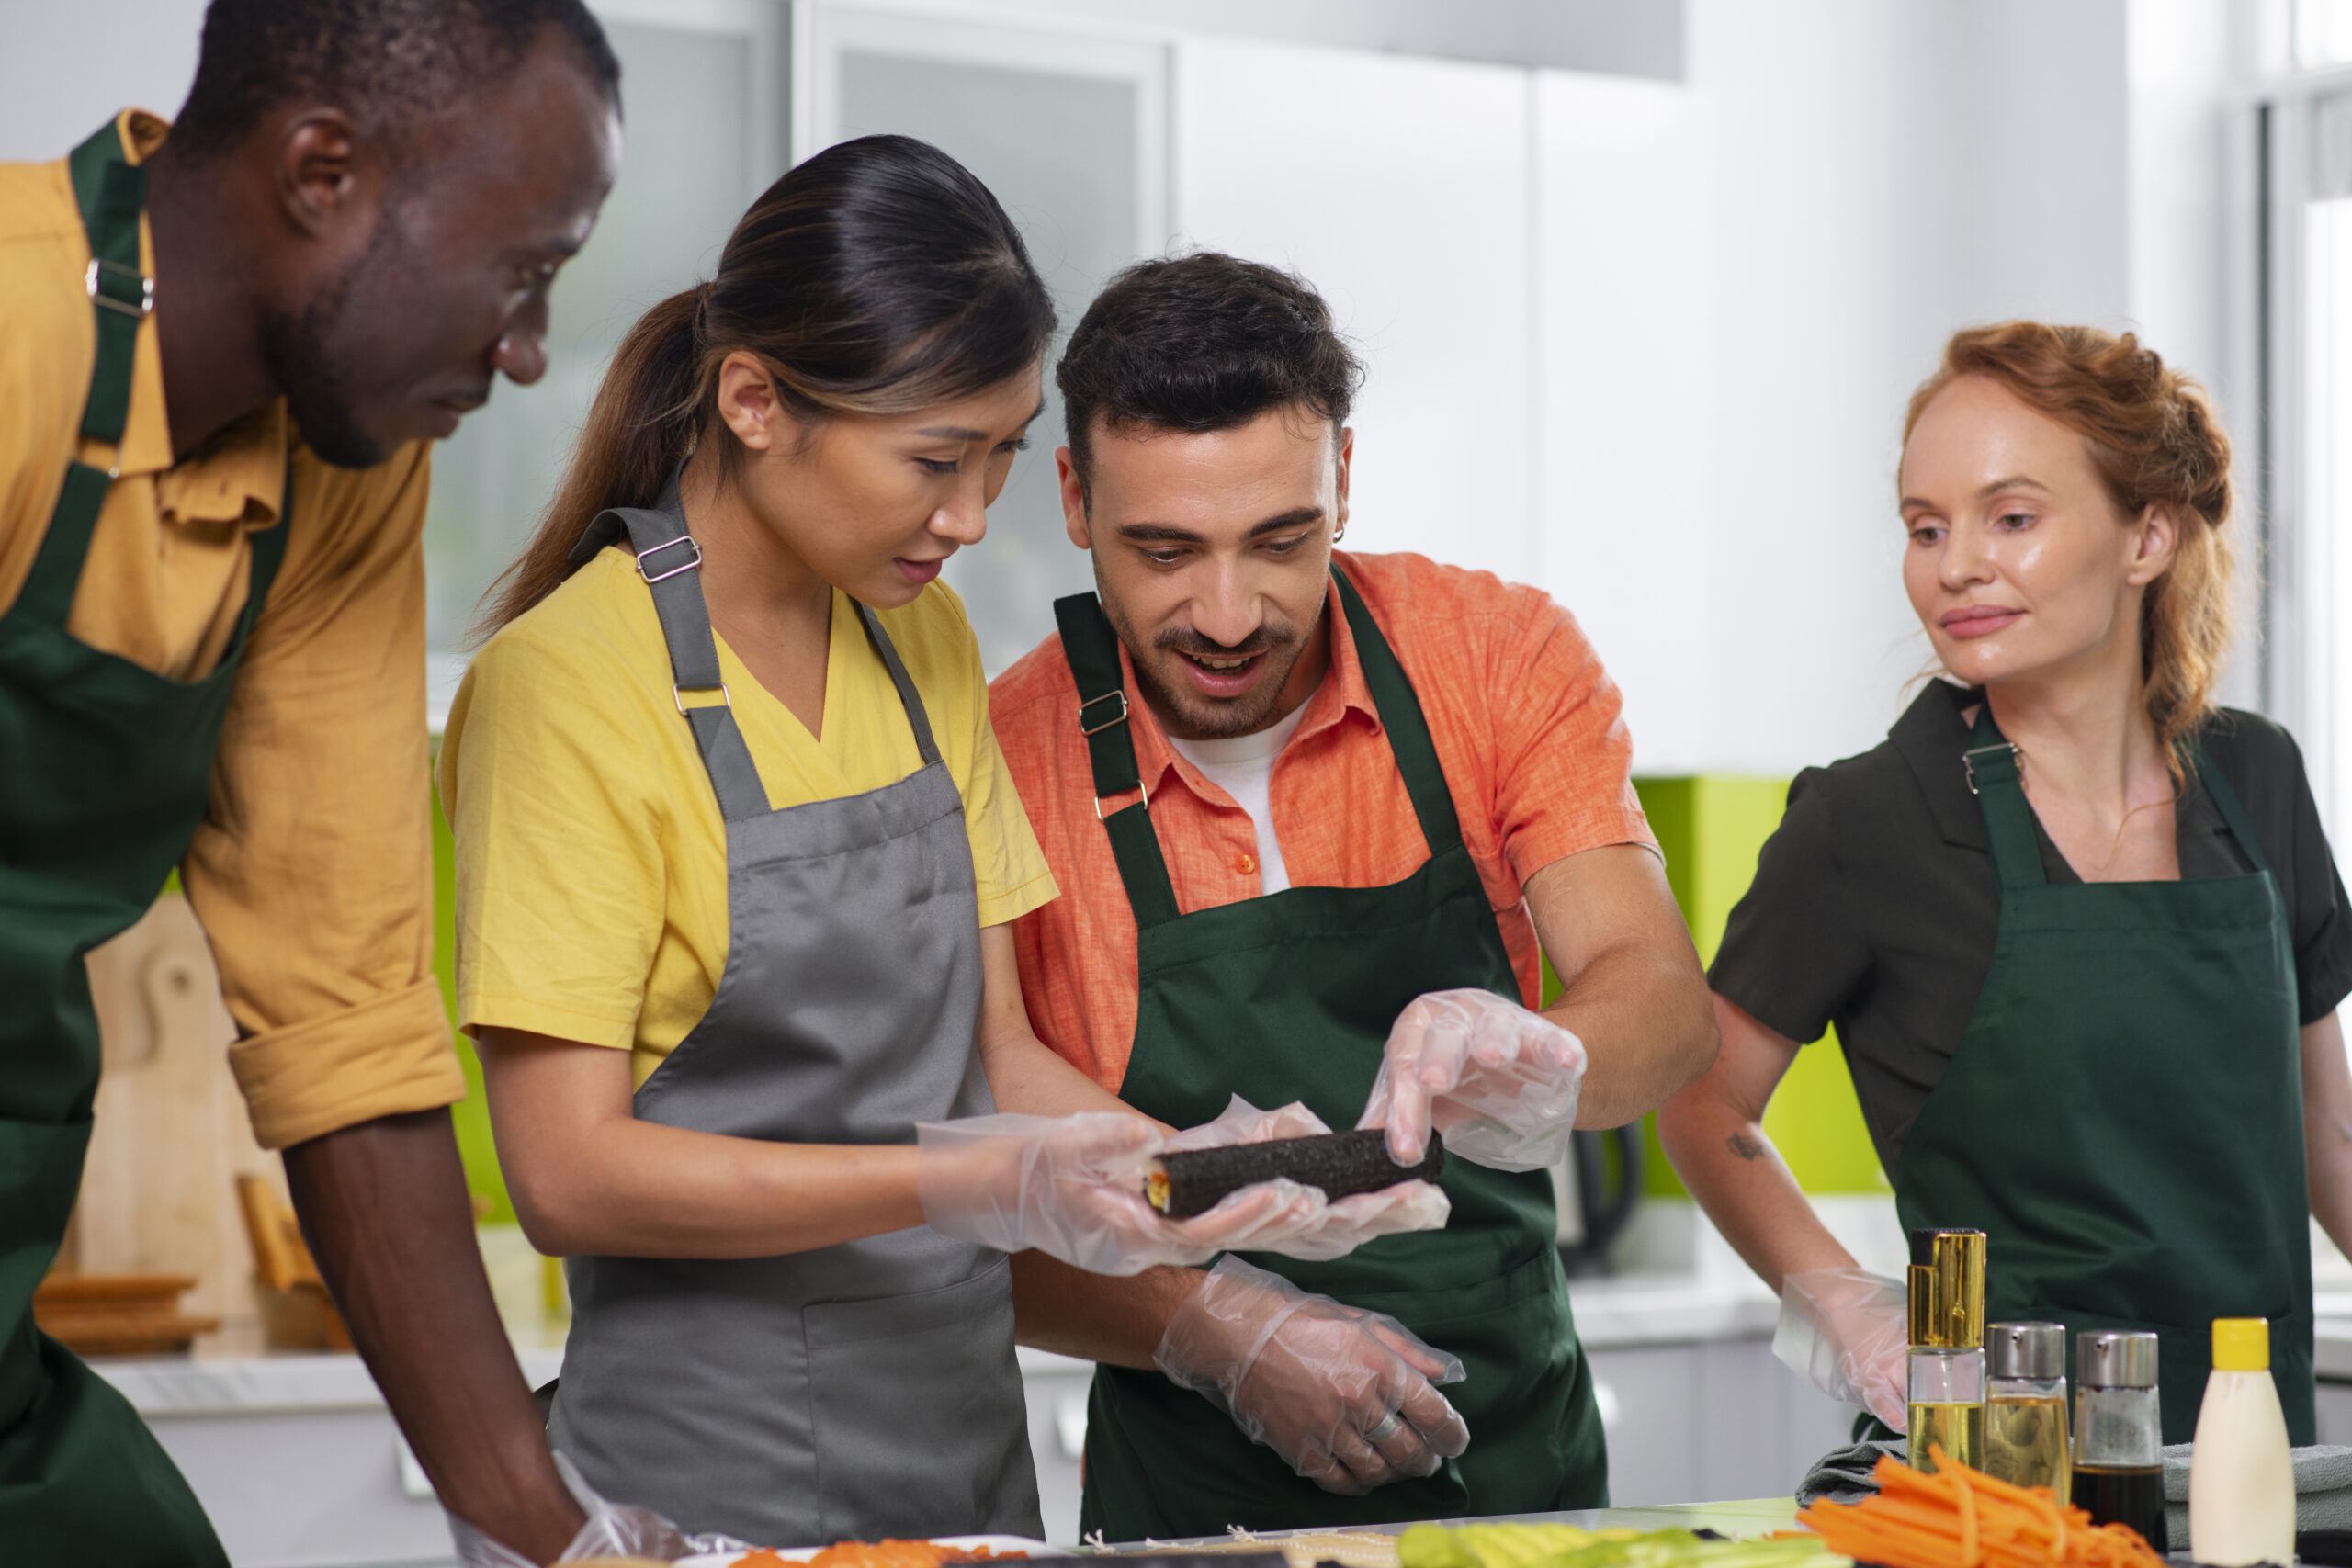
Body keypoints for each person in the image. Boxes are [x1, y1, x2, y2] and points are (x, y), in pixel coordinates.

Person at [441, 143, 1435, 1550]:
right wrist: (956, 1179)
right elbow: (566, 1175)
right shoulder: (570, 682)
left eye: (1002, 457)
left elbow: (993, 1052)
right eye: (933, 459)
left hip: (964, 1458)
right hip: (701, 1485)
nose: (971, 517)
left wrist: (1204, 1170)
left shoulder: (920, 635)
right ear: (754, 401)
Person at [0, 1, 647, 1562]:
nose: (525, 349)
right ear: (322, 172)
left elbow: (341, 1017)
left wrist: (544, 1530)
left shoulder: (339, 473)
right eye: (523, 269)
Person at [987, 252, 1721, 1539]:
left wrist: (1547, 1052)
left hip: (1517, 1486)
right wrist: (1221, 1324)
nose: (1226, 613)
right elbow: (975, 1227)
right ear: (1072, 497)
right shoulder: (999, 760)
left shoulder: (1495, 654)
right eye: (1164, 550)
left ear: (1344, 481)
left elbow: (1662, 1000)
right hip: (1191, 1505)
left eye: (1280, 540)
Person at [1657, 322, 2352, 1447]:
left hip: (2251, 1450)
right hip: (2001, 1471)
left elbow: (2327, 1132)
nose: (1955, 564)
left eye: (2011, 518)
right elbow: (1698, 1097)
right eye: (1924, 528)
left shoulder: (2255, 776)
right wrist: (1844, 1304)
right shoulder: (1868, 819)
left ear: (2147, 538)